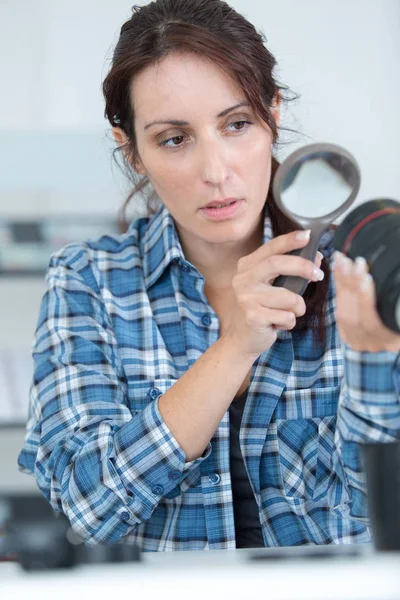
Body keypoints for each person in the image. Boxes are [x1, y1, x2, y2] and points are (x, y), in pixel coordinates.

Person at [18, 0, 400, 551]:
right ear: (134, 152)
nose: (216, 172)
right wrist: (235, 347)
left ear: (272, 114)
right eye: (175, 139)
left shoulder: (353, 274)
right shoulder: (87, 280)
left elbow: (375, 519)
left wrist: (371, 359)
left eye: (237, 124)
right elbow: (89, 509)